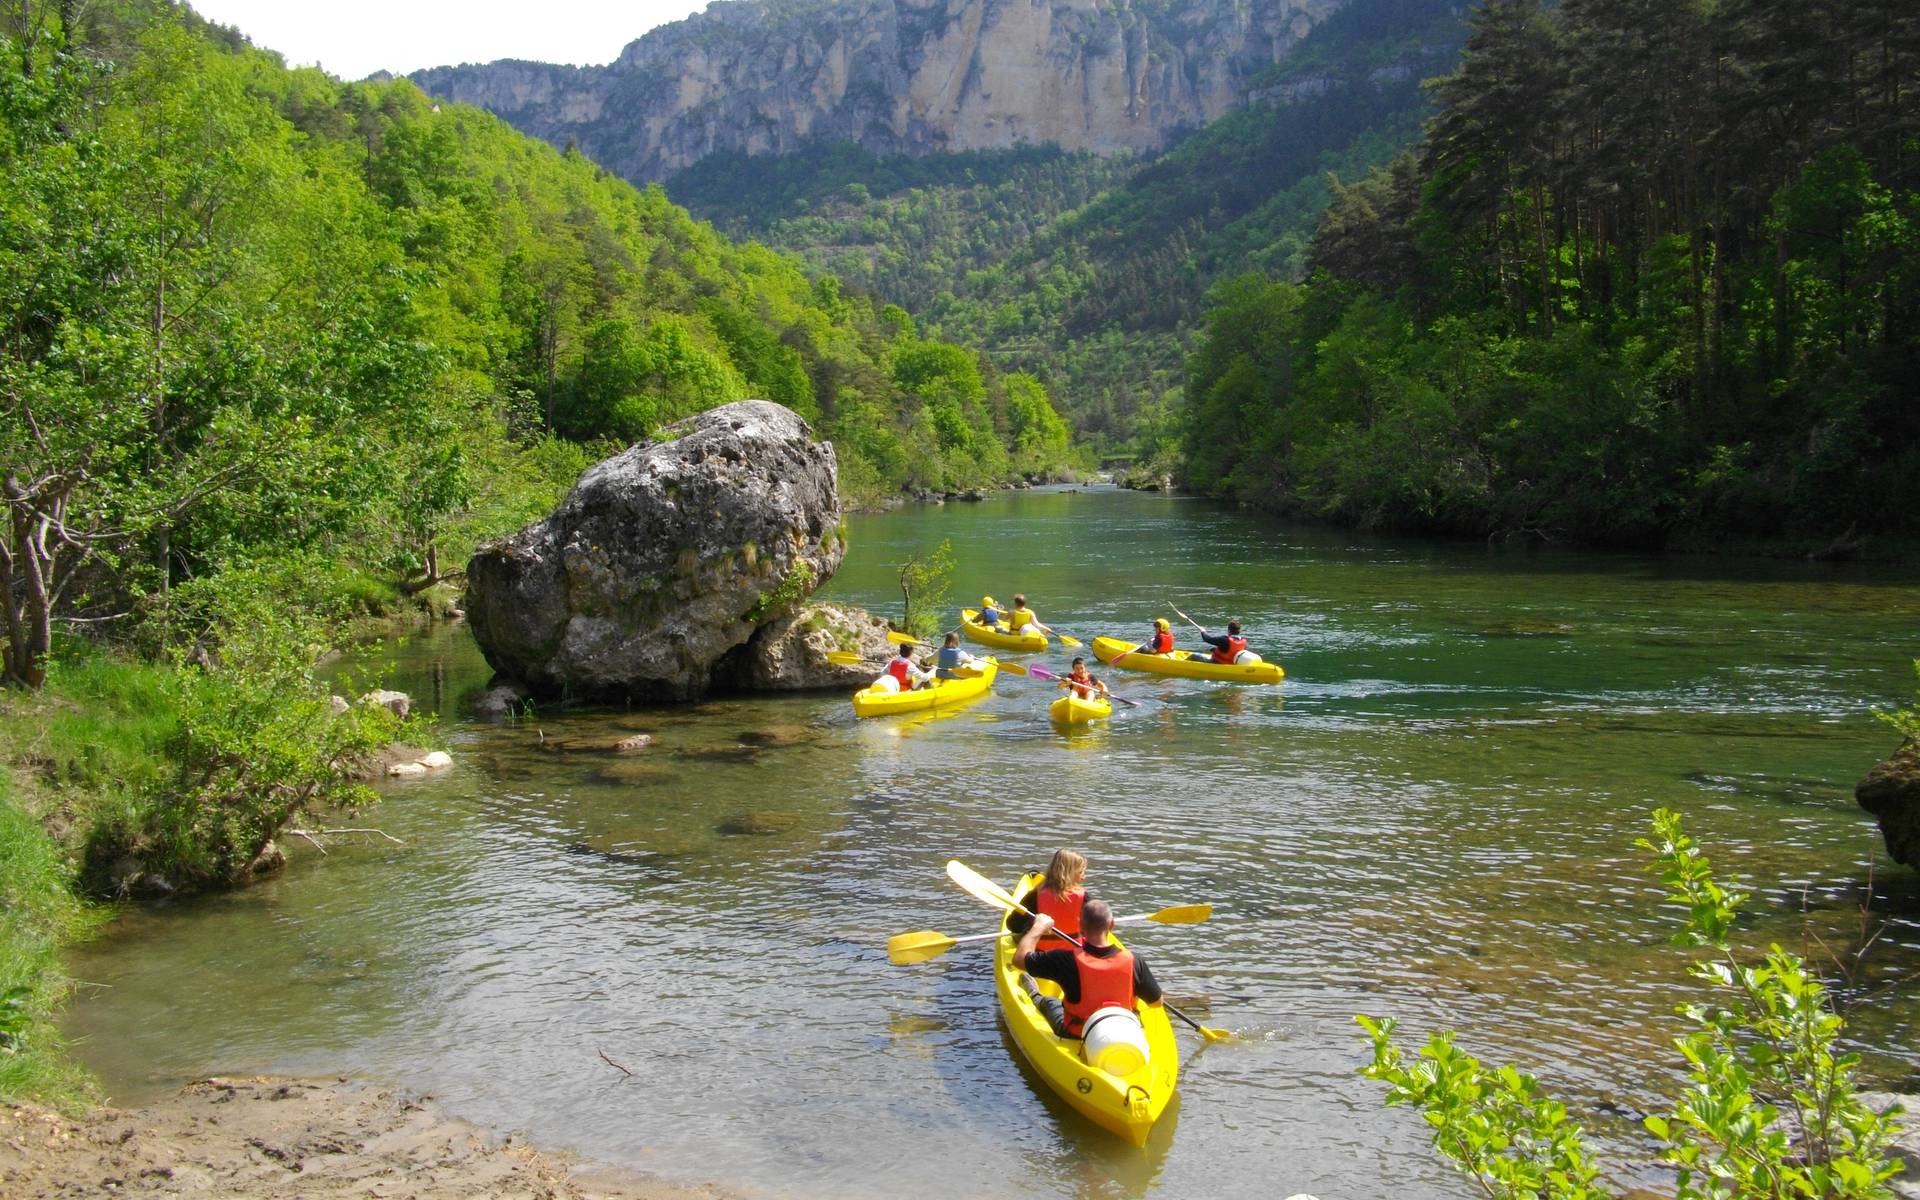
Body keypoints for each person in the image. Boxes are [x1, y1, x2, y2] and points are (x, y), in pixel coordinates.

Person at [1014, 899, 1163, 1038]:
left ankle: (1035, 995)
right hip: (1124, 1034)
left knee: (1051, 1002)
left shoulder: (1065, 960)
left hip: (1077, 1035)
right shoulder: (1135, 961)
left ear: (1081, 927)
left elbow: (1019, 960)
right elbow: (1156, 1003)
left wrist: (1038, 928)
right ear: (1111, 925)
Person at [1008, 849, 1087, 946]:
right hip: (1074, 954)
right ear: (1070, 873)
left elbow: (1013, 926)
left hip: (1042, 955)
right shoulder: (1084, 897)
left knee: (1017, 937)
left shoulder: (1035, 895)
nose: (1084, 877)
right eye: (1081, 872)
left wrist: (1033, 926)